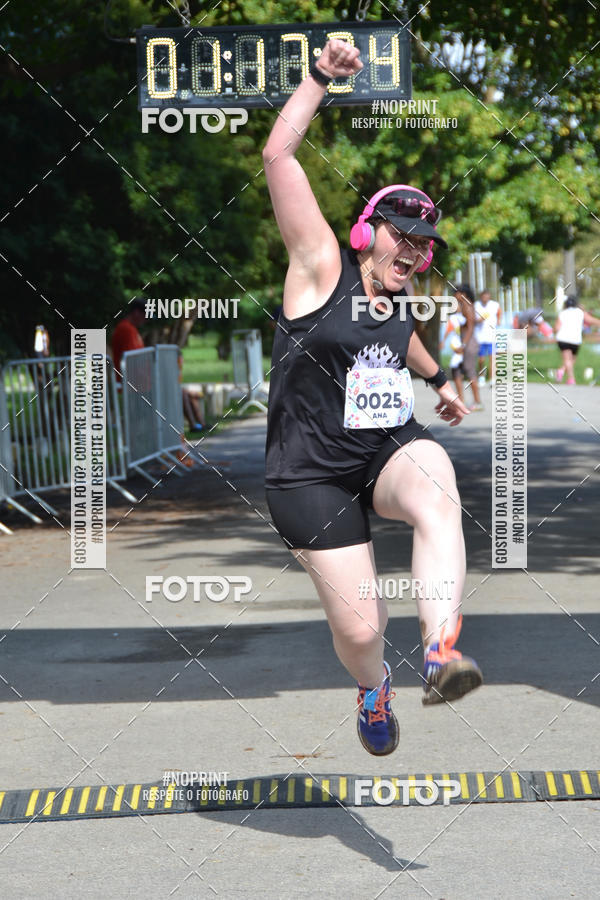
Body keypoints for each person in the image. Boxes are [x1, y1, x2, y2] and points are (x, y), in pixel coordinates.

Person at [262, 38, 482, 757]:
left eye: (424, 246)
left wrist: (441, 379)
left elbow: (400, 343)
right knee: (361, 628)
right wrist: (322, 79)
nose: (414, 253)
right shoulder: (321, 265)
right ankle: (375, 687)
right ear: (366, 233)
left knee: (437, 480)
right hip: (310, 473)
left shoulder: (400, 297)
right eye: (402, 236)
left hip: (381, 451)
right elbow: (278, 159)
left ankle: (443, 650)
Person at [555, 295, 600, 384]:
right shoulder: (580, 312)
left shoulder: (563, 313)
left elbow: (556, 327)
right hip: (575, 340)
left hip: (563, 338)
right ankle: (571, 379)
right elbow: (591, 320)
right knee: (570, 360)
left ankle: (561, 371)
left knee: (569, 360)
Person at [453, 284, 484, 410]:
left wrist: (463, 344)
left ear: (463, 294)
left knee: (470, 372)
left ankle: (478, 402)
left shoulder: (468, 307)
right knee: (456, 371)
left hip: (468, 343)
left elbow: (470, 328)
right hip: (462, 342)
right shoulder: (462, 307)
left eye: (457, 293)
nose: (455, 296)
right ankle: (460, 400)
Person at [111, 298, 146, 381]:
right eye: (146, 315)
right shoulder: (126, 329)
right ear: (136, 312)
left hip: (135, 383)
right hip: (128, 386)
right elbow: (131, 360)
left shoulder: (132, 329)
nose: (146, 320)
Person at [474, 289, 501, 385]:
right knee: (481, 359)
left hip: (491, 336)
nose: (485, 298)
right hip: (480, 337)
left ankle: (492, 378)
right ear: (481, 296)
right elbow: (473, 319)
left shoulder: (494, 305)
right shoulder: (476, 305)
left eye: (487, 296)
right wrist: (478, 320)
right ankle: (481, 377)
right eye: (483, 296)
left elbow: (499, 312)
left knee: (492, 358)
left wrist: (498, 320)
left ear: (489, 296)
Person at [439, 310, 466, 403]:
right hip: (457, 348)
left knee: (462, 371)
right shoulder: (453, 318)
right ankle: (461, 398)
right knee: (456, 370)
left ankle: (472, 400)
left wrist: (465, 345)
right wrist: (443, 341)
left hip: (466, 348)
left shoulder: (468, 315)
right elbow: (449, 329)